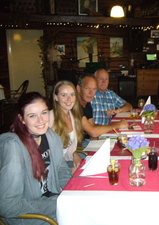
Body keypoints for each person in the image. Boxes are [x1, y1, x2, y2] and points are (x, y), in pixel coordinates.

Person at [0, 92, 71, 224]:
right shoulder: (13, 147)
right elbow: (8, 206)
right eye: (32, 116)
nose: (41, 120)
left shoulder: (50, 136)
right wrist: (56, 204)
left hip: (49, 201)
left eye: (44, 113)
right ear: (21, 119)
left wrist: (73, 191)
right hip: (24, 215)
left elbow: (61, 169)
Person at [76, 74, 128, 146]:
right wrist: (118, 125)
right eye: (87, 88)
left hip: (88, 142)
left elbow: (93, 126)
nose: (91, 93)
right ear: (78, 89)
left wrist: (100, 144)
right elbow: (93, 132)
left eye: (94, 89)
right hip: (77, 148)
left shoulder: (87, 104)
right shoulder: (74, 107)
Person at [49, 80, 84, 173]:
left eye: (72, 95)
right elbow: (47, 159)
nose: (69, 99)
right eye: (64, 95)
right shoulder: (48, 119)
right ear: (56, 97)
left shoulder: (72, 116)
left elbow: (68, 147)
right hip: (55, 169)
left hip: (66, 161)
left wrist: (74, 154)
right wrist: (71, 171)